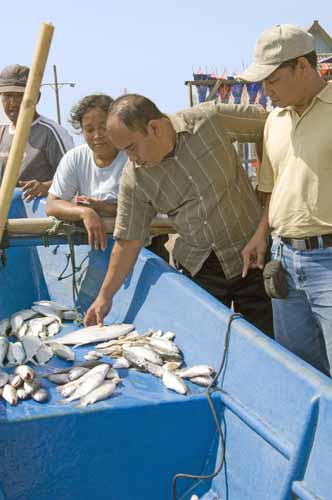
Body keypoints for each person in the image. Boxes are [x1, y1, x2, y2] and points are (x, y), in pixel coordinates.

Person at [84, 93, 274, 337]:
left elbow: (271, 125)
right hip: (201, 271)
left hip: (254, 257)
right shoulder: (134, 178)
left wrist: (266, 186)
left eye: (131, 148)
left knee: (268, 345)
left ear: (154, 128)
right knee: (208, 349)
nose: (131, 159)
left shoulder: (210, 119)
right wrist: (104, 297)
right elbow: (128, 240)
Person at [240, 24, 332, 376]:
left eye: (273, 80)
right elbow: (276, 185)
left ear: (303, 68)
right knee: (299, 372)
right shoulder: (274, 120)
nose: (266, 91)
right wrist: (261, 233)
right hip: (284, 261)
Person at [46, 94, 127, 250]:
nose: (97, 136)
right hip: (98, 246)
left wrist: (101, 207)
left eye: (103, 127)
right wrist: (85, 212)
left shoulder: (132, 156)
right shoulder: (75, 158)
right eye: (89, 130)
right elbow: (52, 204)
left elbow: (144, 210)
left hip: (141, 245)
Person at [0, 64, 74, 201]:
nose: (13, 103)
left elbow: (76, 178)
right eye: (8, 95)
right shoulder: (2, 132)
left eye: (20, 96)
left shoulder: (50, 132)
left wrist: (46, 186)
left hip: (38, 215)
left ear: (37, 97)